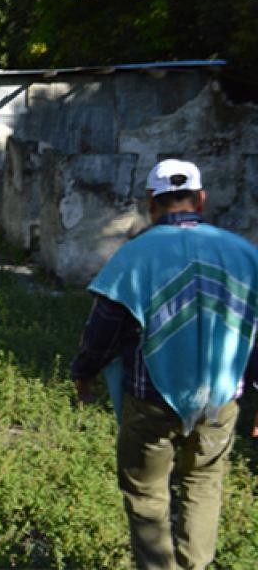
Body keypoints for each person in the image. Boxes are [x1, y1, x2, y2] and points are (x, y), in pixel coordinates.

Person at [71, 158, 258, 570]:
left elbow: (104, 329)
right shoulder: (245, 254)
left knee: (146, 494)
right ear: (202, 199)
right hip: (222, 398)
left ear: (150, 203)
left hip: (150, 399)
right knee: (204, 482)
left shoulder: (135, 255)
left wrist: (83, 373)